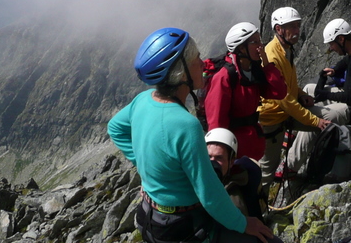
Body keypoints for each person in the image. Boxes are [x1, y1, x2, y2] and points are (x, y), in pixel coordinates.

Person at [107, 27, 273, 243]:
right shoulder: (186, 124)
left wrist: (147, 168)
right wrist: (244, 223)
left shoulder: (143, 100)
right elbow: (209, 195)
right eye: (196, 58)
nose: (203, 63)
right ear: (181, 73)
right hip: (183, 226)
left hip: (150, 216)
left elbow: (115, 128)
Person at [286, 19, 351, 175]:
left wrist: (325, 94)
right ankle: (292, 136)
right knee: (308, 90)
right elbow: (346, 61)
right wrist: (334, 70)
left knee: (315, 119)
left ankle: (290, 167)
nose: (331, 48)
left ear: (341, 39)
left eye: (331, 44)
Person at [258, 7, 330, 188]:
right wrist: (314, 121)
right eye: (291, 26)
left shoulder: (287, 49)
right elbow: (284, 99)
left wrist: (302, 94)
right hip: (271, 120)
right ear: (278, 29)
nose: (297, 31)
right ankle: (258, 212)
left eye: (298, 26)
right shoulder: (272, 56)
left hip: (283, 114)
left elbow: (288, 85)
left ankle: (292, 168)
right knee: (267, 171)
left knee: (323, 126)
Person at [205, 22, 286, 161]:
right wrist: (221, 157)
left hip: (252, 145)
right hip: (234, 152)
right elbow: (216, 122)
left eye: (259, 41)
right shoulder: (224, 77)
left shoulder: (253, 71)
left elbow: (279, 92)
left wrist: (267, 65)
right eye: (255, 42)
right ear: (241, 48)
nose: (260, 46)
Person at [205, 128, 269, 223]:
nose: (213, 162)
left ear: (231, 162)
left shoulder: (234, 200)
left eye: (219, 158)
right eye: (209, 156)